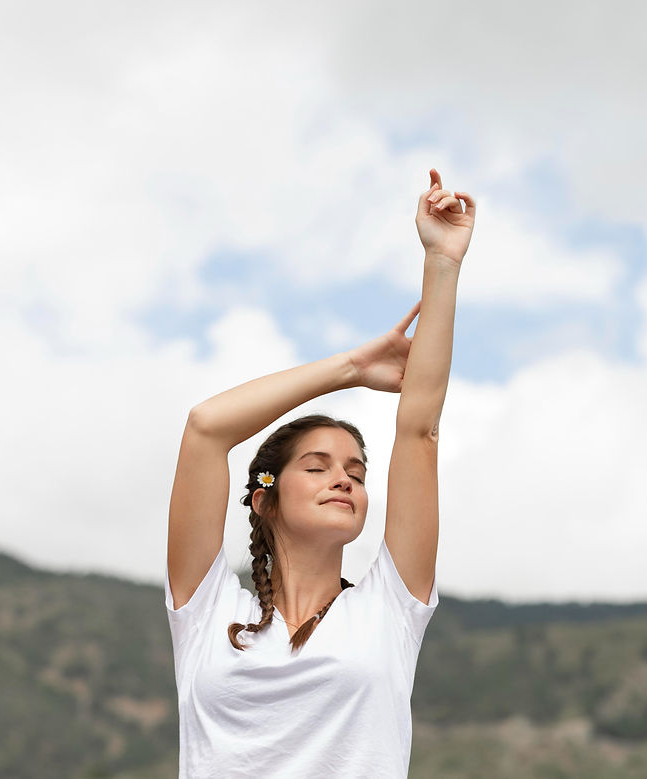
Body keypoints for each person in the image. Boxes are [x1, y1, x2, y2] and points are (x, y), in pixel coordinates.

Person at [165, 168, 476, 778]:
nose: (345, 480)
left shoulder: (389, 609)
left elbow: (419, 430)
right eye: (318, 466)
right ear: (265, 499)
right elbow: (206, 428)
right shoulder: (208, 613)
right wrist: (353, 367)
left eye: (356, 472)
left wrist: (442, 260)